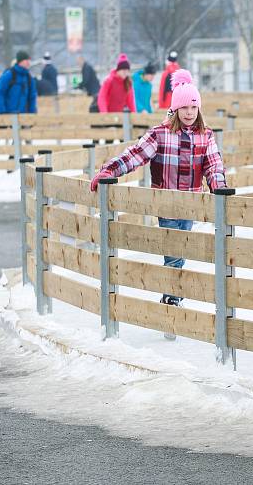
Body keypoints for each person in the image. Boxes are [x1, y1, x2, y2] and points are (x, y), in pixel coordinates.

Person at [89, 69, 226, 341]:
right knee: (174, 254)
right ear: (174, 109)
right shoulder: (161, 134)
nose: (189, 112)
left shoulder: (205, 135)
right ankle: (172, 304)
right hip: (165, 204)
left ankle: (169, 297)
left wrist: (219, 186)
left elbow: (213, 163)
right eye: (184, 107)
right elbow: (135, 155)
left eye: (193, 107)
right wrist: (109, 171)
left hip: (190, 205)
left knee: (179, 254)